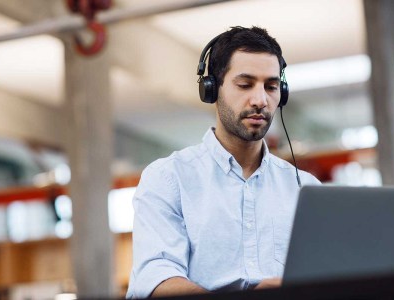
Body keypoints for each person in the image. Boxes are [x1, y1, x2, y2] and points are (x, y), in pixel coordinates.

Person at [126, 26, 320, 299]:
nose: (260, 100)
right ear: (212, 88)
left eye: (271, 86)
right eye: (245, 84)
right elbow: (156, 280)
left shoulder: (306, 188)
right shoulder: (168, 178)